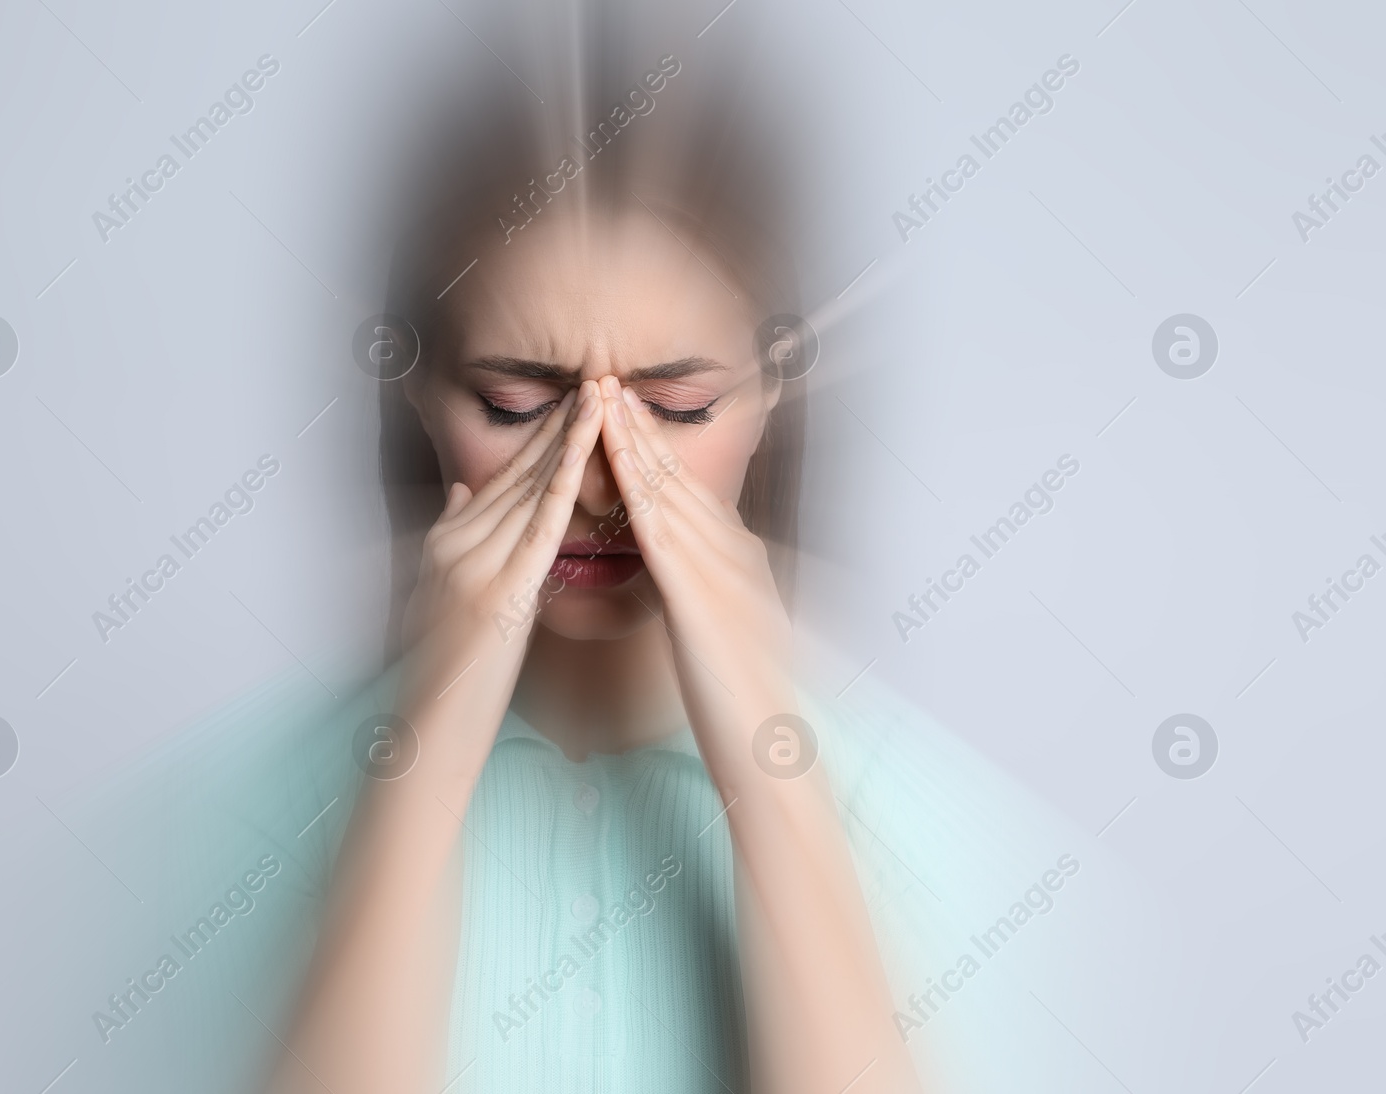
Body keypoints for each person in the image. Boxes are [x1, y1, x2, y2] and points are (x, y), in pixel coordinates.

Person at [271, 189, 925, 1092]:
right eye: (515, 405)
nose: (596, 485)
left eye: (680, 407)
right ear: (422, 398)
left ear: (770, 398)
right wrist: (425, 745)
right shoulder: (245, 813)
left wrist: (769, 750)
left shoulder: (937, 830)